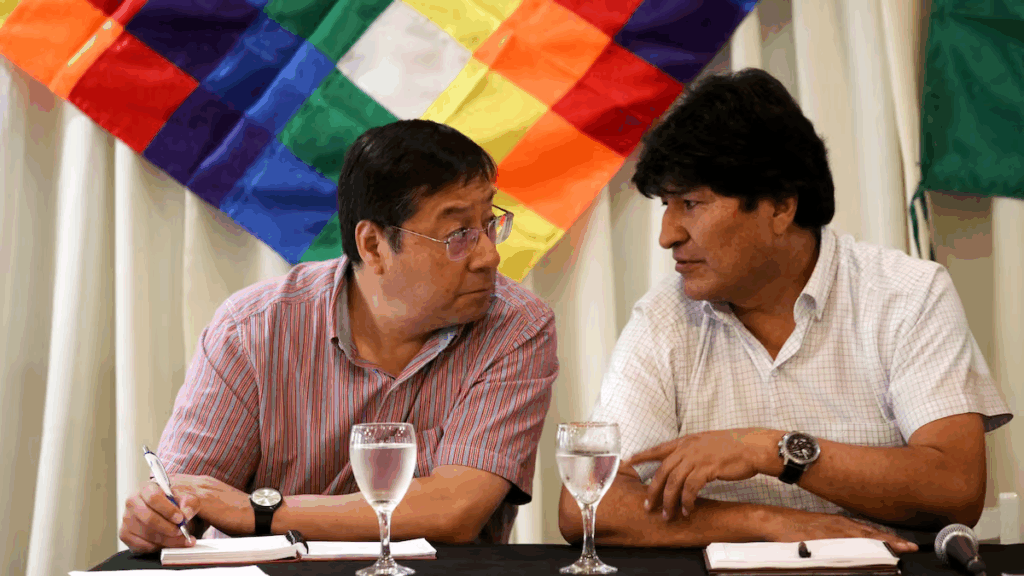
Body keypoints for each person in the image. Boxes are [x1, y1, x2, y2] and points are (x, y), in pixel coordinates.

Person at [559, 69, 1012, 551]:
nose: (667, 235)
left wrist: (772, 450)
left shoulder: (907, 295)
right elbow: (588, 505)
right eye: (666, 205)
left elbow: (956, 489)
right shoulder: (664, 318)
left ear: (779, 207)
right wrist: (765, 522)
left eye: (690, 203)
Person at [119, 120, 558, 552]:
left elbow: (455, 509)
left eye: (489, 224)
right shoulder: (253, 328)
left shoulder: (516, 327)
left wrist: (261, 513)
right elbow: (185, 499)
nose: (489, 256)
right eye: (458, 234)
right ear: (373, 246)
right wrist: (158, 518)